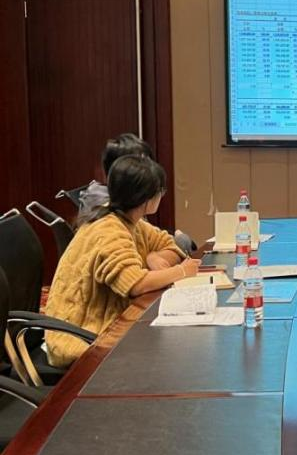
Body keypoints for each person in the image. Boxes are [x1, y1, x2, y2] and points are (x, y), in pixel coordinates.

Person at [45, 155, 201, 367]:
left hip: (108, 325)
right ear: (146, 198)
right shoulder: (108, 230)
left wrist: (154, 256)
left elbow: (171, 245)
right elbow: (135, 284)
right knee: (174, 354)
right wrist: (181, 271)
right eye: (160, 191)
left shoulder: (127, 218)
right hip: (82, 337)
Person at [78, 132, 194, 254]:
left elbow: (151, 240)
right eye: (140, 164)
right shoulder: (109, 214)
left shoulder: (125, 203)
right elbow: (132, 259)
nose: (150, 170)